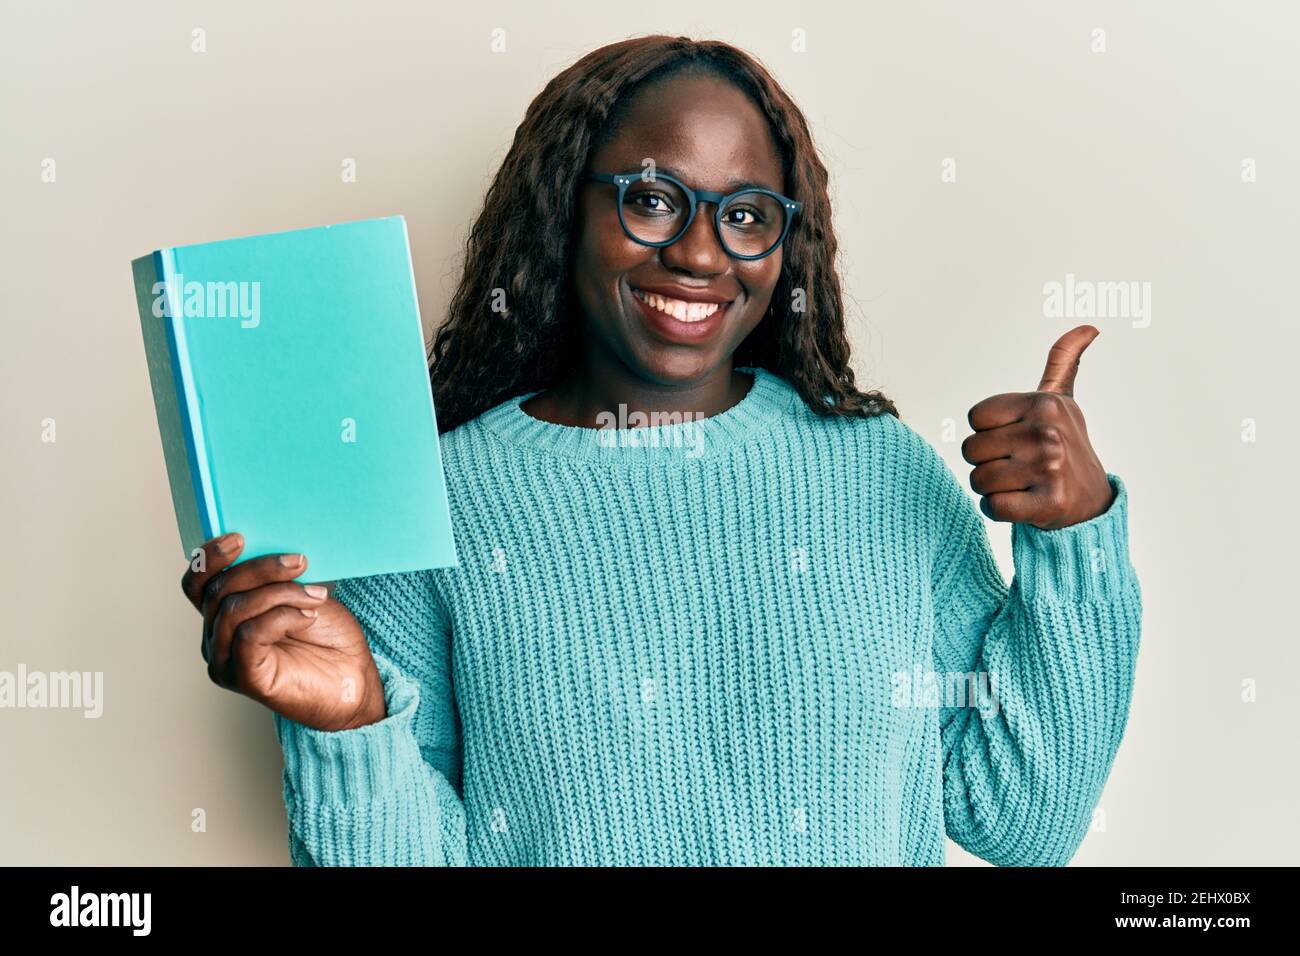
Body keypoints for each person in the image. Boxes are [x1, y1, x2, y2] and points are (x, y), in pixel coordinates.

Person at [181, 35, 1141, 866]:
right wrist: (349, 725)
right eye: (651, 200)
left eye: (747, 214)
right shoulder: (436, 502)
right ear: (566, 208)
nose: (700, 254)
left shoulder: (879, 473)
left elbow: (1023, 820)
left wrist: (1078, 541)